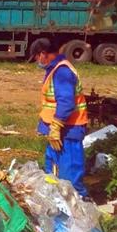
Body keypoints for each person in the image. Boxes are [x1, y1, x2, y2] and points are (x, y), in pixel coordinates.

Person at [29, 37, 90, 199]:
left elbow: (66, 102)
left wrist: (55, 125)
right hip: (58, 130)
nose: (36, 61)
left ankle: (80, 205)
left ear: (43, 54)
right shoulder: (55, 69)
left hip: (68, 130)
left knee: (69, 176)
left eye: (36, 57)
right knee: (53, 171)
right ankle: (58, 203)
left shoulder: (62, 71)